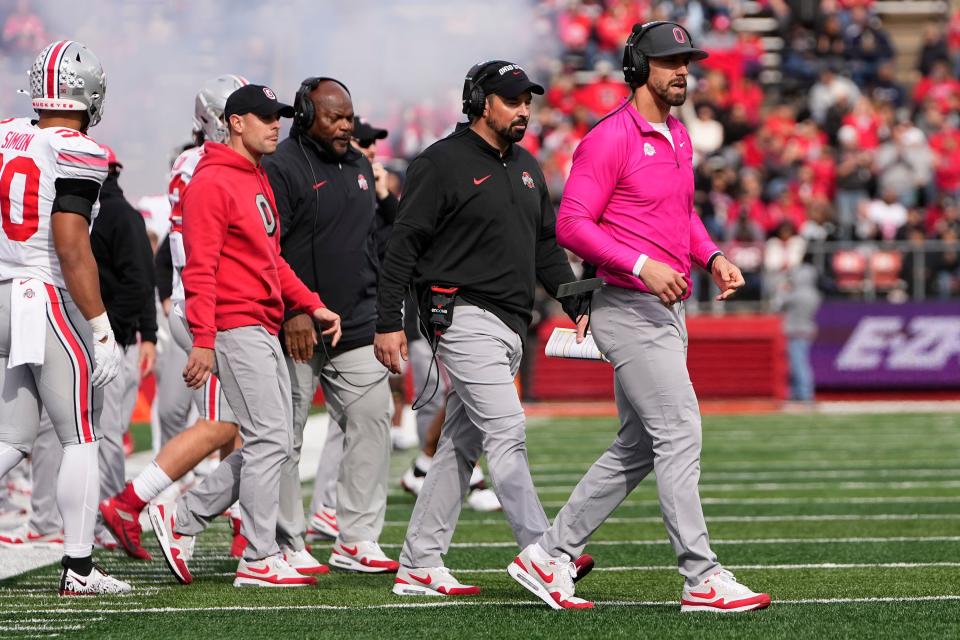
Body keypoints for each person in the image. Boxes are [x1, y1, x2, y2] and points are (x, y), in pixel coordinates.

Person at [512, 22, 771, 612]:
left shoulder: (678, 134)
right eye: (668, 60)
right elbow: (571, 225)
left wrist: (711, 255)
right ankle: (701, 577)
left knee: (637, 446)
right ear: (638, 67)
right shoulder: (610, 138)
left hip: (664, 307)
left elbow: (681, 215)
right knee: (679, 431)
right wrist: (642, 263)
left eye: (687, 60)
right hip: (626, 305)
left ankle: (549, 555)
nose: (682, 70)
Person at [374, 60, 590, 600]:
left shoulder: (526, 166)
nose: (524, 109)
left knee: (458, 446)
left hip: (512, 323)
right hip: (462, 315)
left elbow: (544, 246)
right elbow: (403, 245)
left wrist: (573, 301)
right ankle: (544, 553)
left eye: (527, 101)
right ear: (481, 101)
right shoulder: (440, 163)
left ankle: (419, 563)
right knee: (508, 431)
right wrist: (387, 322)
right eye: (513, 99)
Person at [147, 83, 341, 588]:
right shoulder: (212, 181)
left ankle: (184, 519)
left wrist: (311, 303)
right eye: (263, 117)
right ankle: (258, 556)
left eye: (277, 116)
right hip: (234, 322)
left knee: (270, 441)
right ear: (235, 122)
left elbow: (271, 259)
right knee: (270, 439)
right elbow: (200, 269)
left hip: (260, 320)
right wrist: (206, 339)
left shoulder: (253, 177)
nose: (275, 124)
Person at [99, 76, 258, 563]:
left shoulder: (192, 162)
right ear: (222, 118)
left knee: (241, 425)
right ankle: (134, 503)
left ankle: (240, 524)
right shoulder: (216, 165)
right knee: (221, 423)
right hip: (211, 299)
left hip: (198, 297)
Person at [0, 40, 131, 595]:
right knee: (81, 434)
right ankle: (79, 569)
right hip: (39, 294)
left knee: (11, 436)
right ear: (91, 94)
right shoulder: (76, 148)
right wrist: (100, 326)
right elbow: (71, 240)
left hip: (2, 289)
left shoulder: (6, 133)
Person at [262, 79, 397, 573]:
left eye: (349, 116)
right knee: (285, 437)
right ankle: (287, 540)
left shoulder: (361, 166)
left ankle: (357, 538)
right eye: (334, 117)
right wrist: (294, 310)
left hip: (356, 323)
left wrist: (386, 317)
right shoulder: (281, 168)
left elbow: (371, 248)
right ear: (303, 116)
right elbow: (268, 249)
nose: (345, 126)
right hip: (295, 324)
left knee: (372, 420)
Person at [90, 146, 158, 548]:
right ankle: (98, 513)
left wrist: (110, 333)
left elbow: (139, 281)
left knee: (107, 432)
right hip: (106, 336)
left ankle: (112, 512)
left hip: (111, 339)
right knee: (93, 432)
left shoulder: (114, 214)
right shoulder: (96, 212)